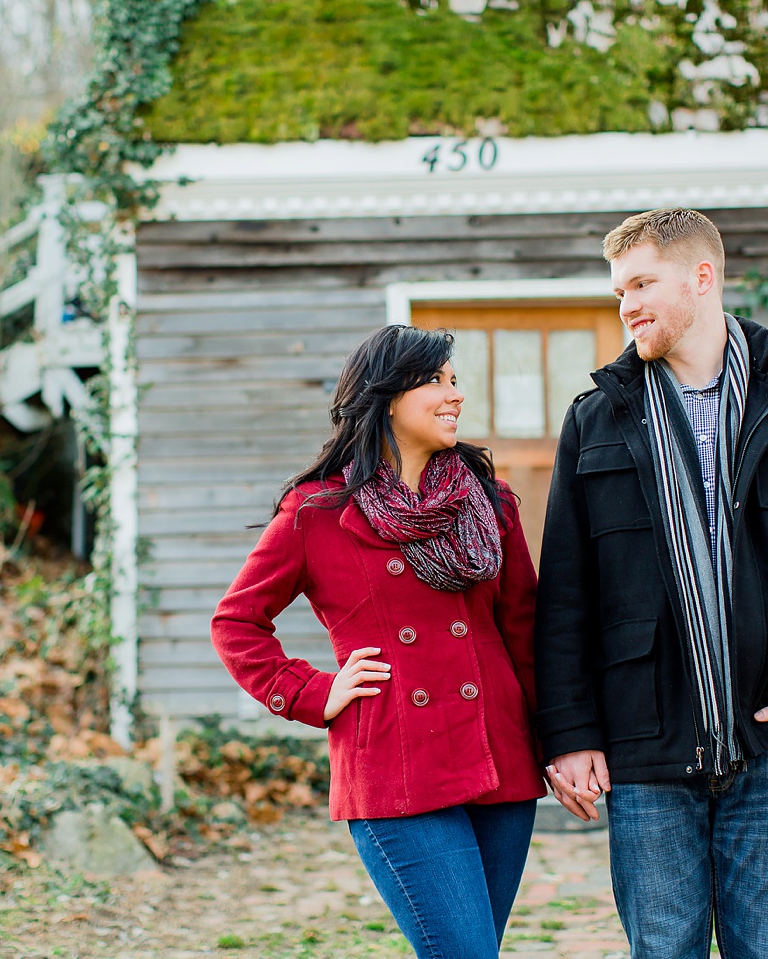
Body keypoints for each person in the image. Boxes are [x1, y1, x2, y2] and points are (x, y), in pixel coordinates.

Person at [535, 209, 768, 959]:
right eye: (618, 289)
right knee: (664, 950)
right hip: (645, 747)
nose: (625, 303)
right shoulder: (597, 420)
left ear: (703, 277)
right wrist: (570, 735)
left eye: (641, 282)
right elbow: (566, 593)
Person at [211, 324, 545, 958]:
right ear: (387, 396)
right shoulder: (318, 513)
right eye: (435, 382)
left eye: (455, 381)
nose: (455, 396)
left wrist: (559, 742)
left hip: (500, 759)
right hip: (397, 767)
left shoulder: (490, 504)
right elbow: (236, 622)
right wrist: (314, 692)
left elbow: (525, 630)